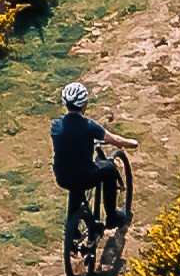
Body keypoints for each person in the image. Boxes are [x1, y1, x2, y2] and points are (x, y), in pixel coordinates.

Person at [50, 81, 137, 230]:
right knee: (109, 169)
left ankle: (72, 230)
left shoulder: (56, 125)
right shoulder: (89, 126)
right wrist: (131, 143)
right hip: (85, 175)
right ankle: (112, 217)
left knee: (75, 187)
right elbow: (114, 140)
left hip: (62, 176)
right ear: (84, 105)